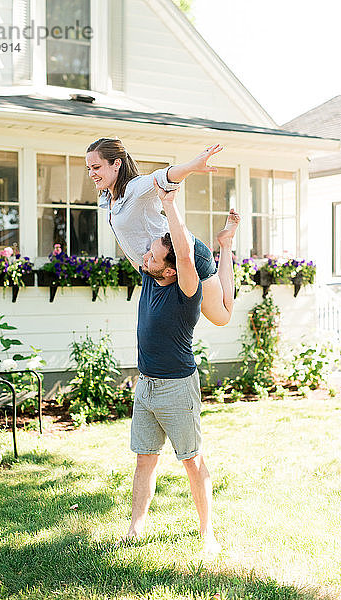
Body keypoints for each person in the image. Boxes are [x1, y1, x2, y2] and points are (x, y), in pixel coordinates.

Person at [120, 179, 240, 554]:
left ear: (171, 270)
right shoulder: (151, 271)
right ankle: (136, 527)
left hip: (176, 387)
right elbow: (137, 234)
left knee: (191, 460)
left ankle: (208, 534)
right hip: (147, 385)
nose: (146, 259)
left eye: (154, 258)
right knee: (144, 459)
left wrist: (171, 206)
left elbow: (185, 255)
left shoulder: (186, 289)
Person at [86, 138, 240, 327]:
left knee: (222, 317)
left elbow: (163, 176)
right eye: (89, 169)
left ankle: (226, 244)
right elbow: (125, 241)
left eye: (96, 167)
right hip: (160, 268)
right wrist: (143, 271)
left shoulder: (135, 188)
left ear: (116, 163)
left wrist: (192, 166)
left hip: (188, 255)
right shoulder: (109, 199)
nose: (92, 174)